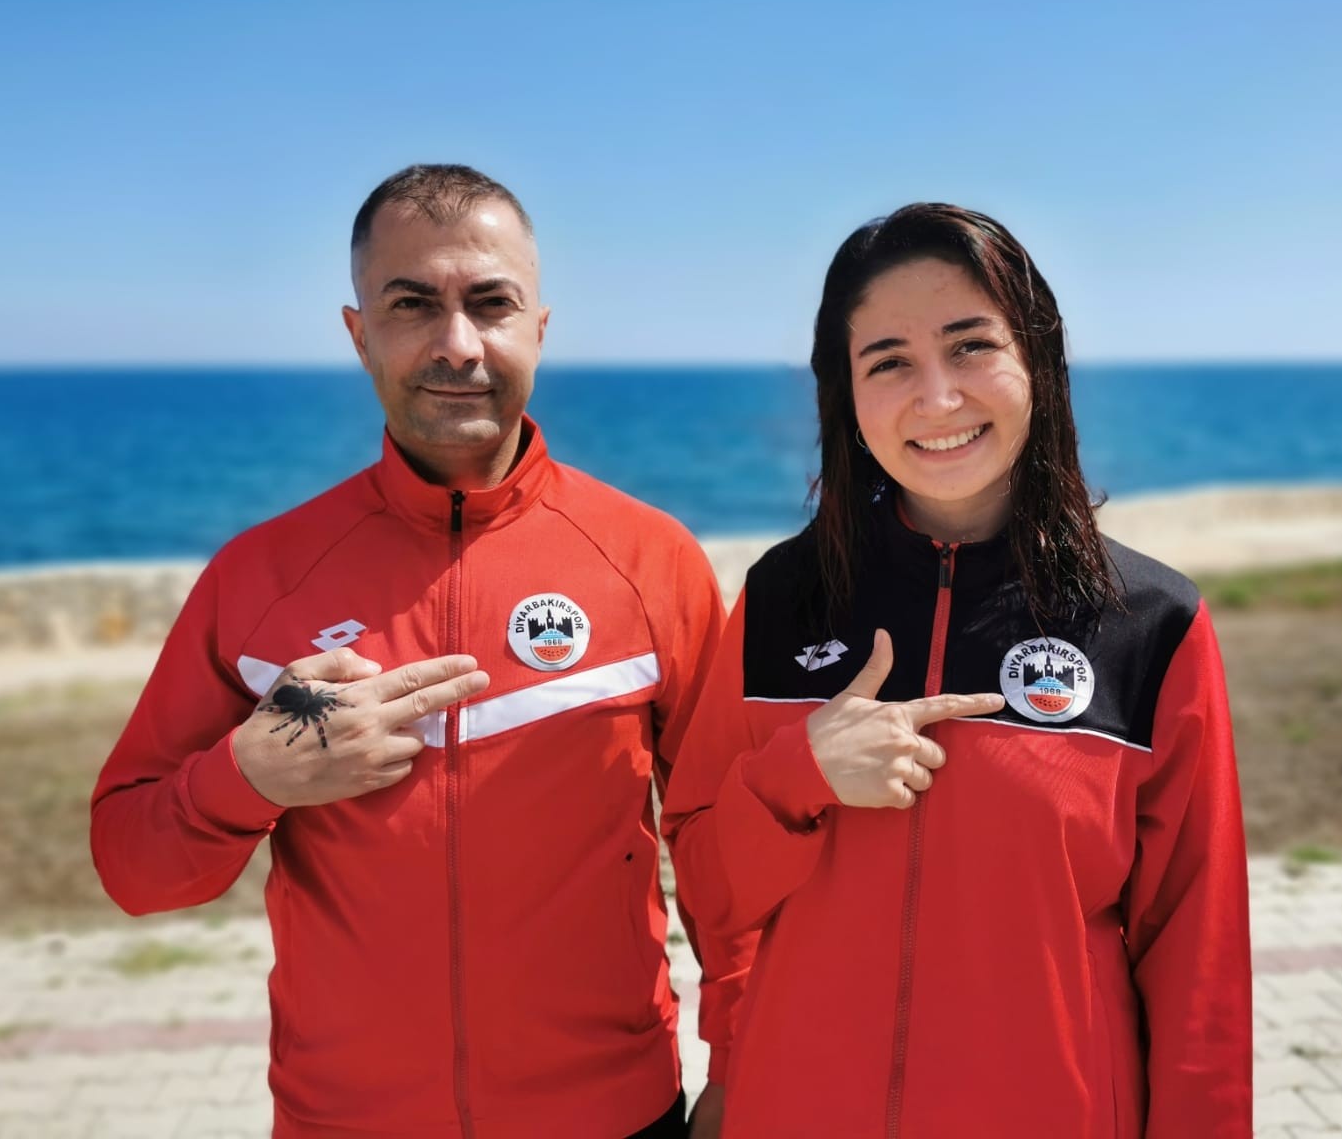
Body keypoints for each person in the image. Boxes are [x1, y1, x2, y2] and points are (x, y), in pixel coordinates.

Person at [91, 164, 747, 1138]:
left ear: (538, 327)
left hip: (610, 1113)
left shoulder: (650, 560)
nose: (457, 344)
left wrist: (740, 1066)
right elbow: (133, 867)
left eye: (491, 304)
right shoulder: (260, 577)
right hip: (341, 1120)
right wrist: (248, 775)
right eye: (412, 305)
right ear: (359, 334)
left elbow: (726, 844)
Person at [661, 203, 1252, 1136]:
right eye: (889, 361)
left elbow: (1198, 953)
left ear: (1037, 361)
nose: (937, 398)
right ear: (846, 394)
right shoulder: (782, 597)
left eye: (971, 346)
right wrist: (797, 775)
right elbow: (708, 888)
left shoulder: (1151, 622)